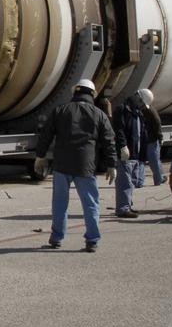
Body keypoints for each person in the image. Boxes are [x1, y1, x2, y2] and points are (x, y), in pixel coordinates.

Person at [35, 78, 117, 252]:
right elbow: (109, 141)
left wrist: (40, 156)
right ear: (92, 94)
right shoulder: (99, 114)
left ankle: (56, 238)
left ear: (74, 93)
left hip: (62, 165)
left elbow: (45, 135)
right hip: (85, 166)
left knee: (59, 203)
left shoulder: (60, 111)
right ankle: (92, 240)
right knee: (90, 204)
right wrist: (112, 165)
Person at [110, 91, 151, 218]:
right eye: (141, 103)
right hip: (126, 154)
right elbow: (119, 129)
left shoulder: (137, 113)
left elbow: (141, 134)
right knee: (125, 182)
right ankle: (123, 209)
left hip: (136, 153)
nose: (142, 106)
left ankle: (127, 205)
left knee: (132, 181)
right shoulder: (122, 110)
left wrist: (143, 155)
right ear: (138, 98)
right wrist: (122, 146)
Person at [138, 89, 165, 186]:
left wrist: (160, 137)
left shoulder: (150, 111)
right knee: (149, 160)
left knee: (154, 161)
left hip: (152, 140)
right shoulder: (142, 110)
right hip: (146, 140)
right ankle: (160, 177)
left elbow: (157, 124)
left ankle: (159, 179)